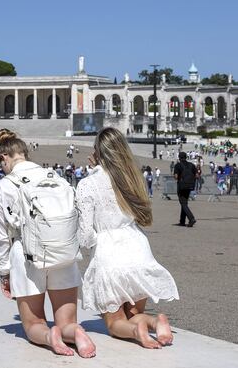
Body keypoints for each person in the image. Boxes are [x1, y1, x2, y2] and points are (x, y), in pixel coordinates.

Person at [0, 129, 96, 358]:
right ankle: (76, 332)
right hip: (64, 252)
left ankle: (50, 337)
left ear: (4, 158)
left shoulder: (5, 185)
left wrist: (4, 273)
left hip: (28, 256)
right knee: (67, 320)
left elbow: (2, 237)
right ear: (25, 154)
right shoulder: (54, 177)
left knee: (34, 323)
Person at [76, 127, 178, 349]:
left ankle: (137, 332)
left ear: (98, 152)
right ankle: (154, 321)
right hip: (137, 249)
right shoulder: (133, 178)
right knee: (134, 313)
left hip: (109, 252)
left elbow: (85, 236)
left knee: (115, 323)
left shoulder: (87, 184)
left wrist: (95, 243)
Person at [173, 152, 197, 227]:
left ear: (179, 157)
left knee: (183, 203)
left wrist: (176, 177)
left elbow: (176, 176)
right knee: (184, 203)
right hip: (190, 186)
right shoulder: (192, 165)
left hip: (181, 186)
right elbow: (197, 175)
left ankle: (191, 218)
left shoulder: (178, 165)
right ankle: (182, 221)